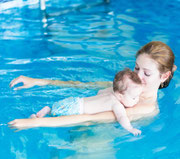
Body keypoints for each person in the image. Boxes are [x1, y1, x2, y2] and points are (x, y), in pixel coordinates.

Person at [8, 41, 177, 130]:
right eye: (136, 68)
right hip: (71, 121)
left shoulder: (145, 108)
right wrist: (38, 82)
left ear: (164, 76)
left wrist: (35, 123)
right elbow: (81, 85)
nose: (138, 76)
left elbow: (90, 118)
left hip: (94, 140)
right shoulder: (127, 85)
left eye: (146, 73)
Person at [30, 68, 143, 135]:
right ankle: (36, 119)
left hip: (74, 101)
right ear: (120, 95)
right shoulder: (116, 104)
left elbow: (99, 92)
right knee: (57, 121)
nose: (137, 100)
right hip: (75, 110)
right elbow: (122, 117)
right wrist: (130, 128)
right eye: (134, 97)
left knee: (55, 110)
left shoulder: (108, 92)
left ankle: (47, 109)